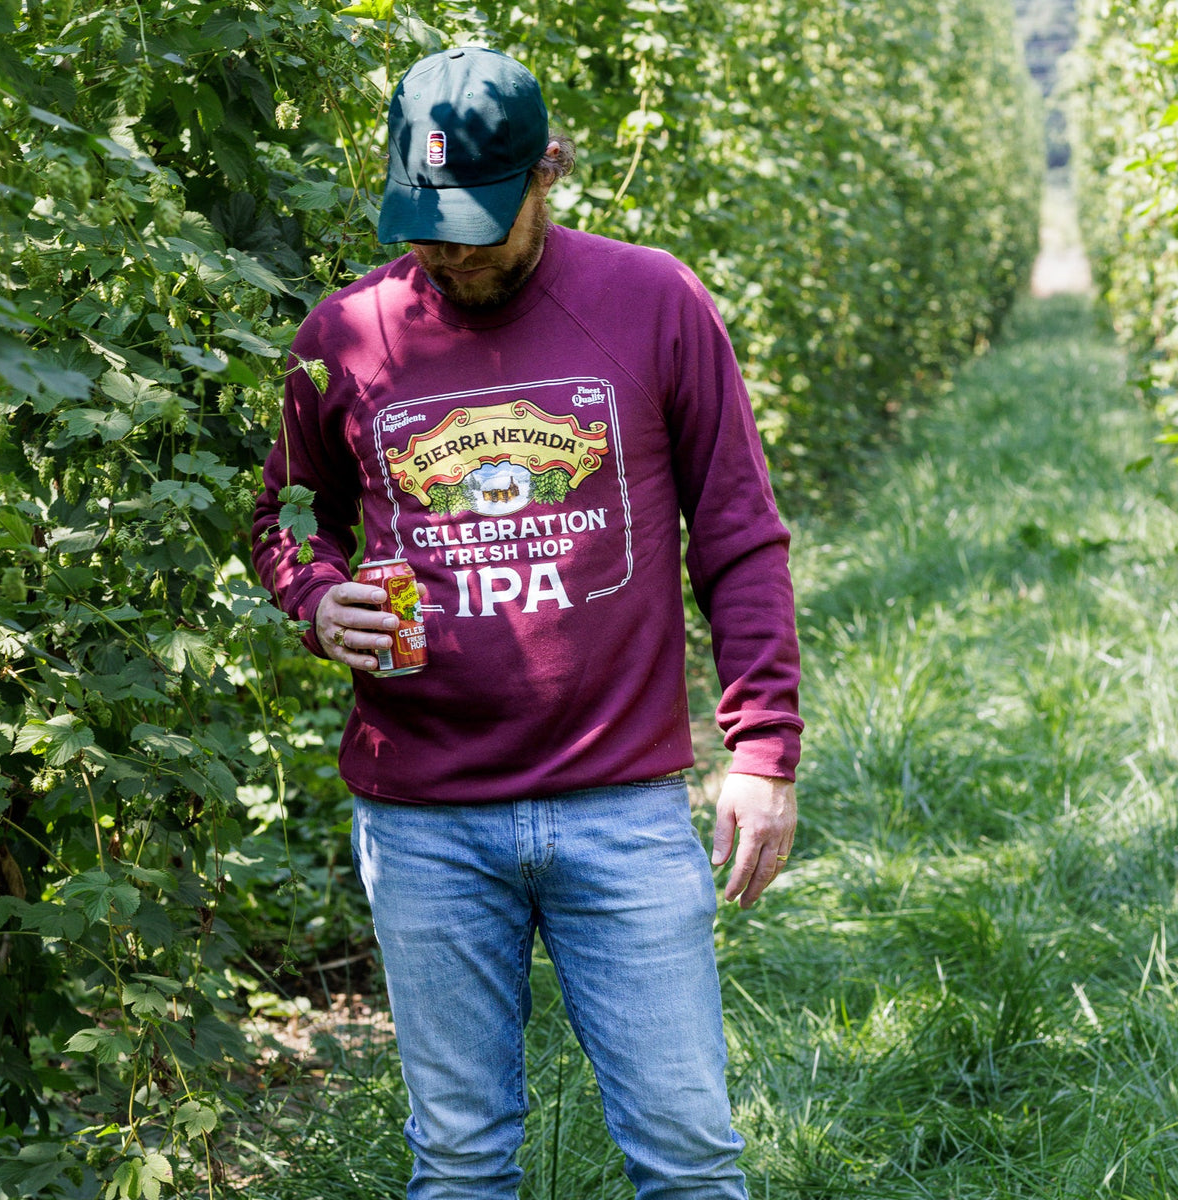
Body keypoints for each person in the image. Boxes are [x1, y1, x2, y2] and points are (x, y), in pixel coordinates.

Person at [252, 45, 802, 1200]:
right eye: (424, 222)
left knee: (692, 1156)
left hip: (623, 807)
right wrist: (316, 595)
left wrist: (761, 748)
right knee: (457, 1163)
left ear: (547, 174)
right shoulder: (343, 337)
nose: (447, 251)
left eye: (476, 224)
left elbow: (741, 533)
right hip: (424, 822)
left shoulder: (653, 300)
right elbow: (288, 519)